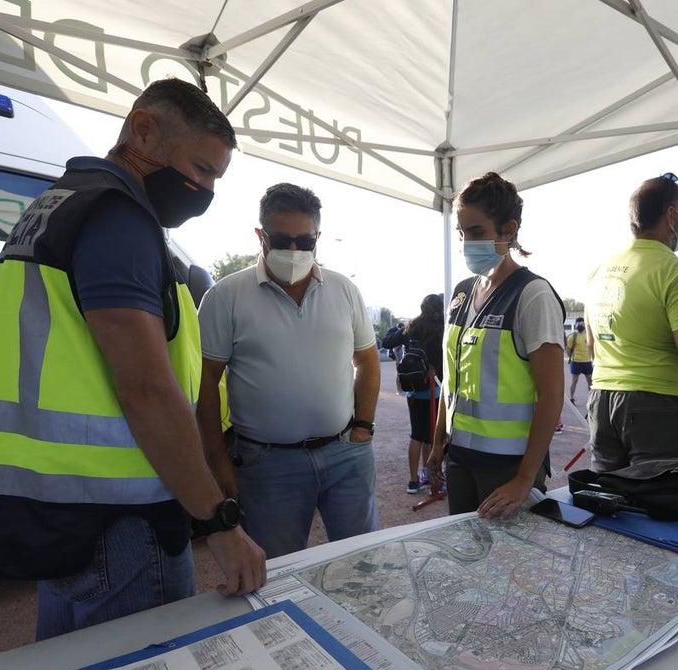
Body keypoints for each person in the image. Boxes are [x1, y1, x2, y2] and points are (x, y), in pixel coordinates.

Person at [0, 78, 266, 640]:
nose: (204, 190)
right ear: (143, 130)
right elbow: (146, 390)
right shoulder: (118, 218)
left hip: (63, 509)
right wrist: (220, 522)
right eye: (201, 169)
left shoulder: (53, 207)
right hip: (123, 518)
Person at [196, 183, 380, 558]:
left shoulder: (344, 290)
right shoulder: (225, 296)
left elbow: (367, 360)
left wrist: (363, 426)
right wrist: (218, 461)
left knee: (363, 562)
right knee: (279, 570)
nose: (294, 251)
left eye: (305, 241)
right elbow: (206, 381)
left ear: (318, 238)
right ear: (260, 236)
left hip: (346, 454)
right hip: (267, 464)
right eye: (282, 240)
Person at [426, 172, 565, 518]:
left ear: (508, 230)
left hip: (508, 470)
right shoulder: (461, 293)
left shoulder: (532, 295)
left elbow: (552, 396)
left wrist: (524, 480)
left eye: (476, 232)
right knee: (465, 550)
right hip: (460, 460)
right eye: (461, 233)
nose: (466, 243)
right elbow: (451, 379)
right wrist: (438, 442)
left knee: (509, 553)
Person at [584, 173, 678, 472]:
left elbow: (592, 343)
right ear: (671, 215)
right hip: (659, 406)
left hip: (602, 402)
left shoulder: (600, 271)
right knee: (661, 496)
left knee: (606, 494)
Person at [382, 294, 445, 493]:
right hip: (434, 389)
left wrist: (398, 328)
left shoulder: (411, 326)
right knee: (431, 436)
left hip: (414, 390)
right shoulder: (442, 328)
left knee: (417, 435)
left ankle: (413, 481)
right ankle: (430, 476)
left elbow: (387, 342)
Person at [565, 317, 593, 403]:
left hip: (587, 362)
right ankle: (571, 398)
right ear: (576, 325)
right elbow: (568, 349)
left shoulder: (588, 335)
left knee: (590, 381)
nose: (580, 325)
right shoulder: (572, 337)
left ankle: (591, 398)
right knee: (575, 380)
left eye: (582, 323)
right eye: (579, 323)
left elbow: (592, 347)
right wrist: (571, 357)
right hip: (576, 362)